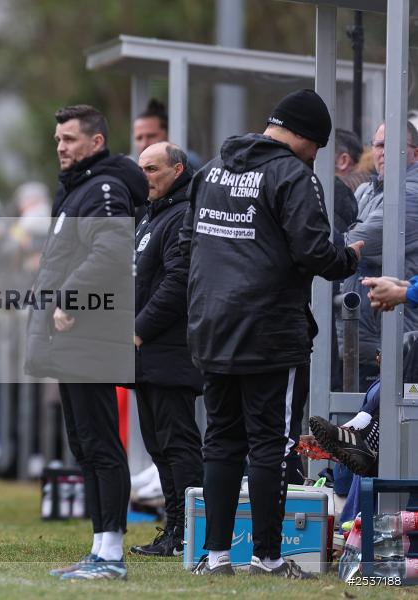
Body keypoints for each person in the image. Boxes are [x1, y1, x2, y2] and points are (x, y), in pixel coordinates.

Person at [179, 89, 362, 577]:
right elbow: (315, 252)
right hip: (269, 333)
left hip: (212, 328)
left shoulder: (211, 171)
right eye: (316, 145)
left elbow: (187, 243)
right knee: (271, 444)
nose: (315, 155)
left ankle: (215, 556)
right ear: (302, 135)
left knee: (220, 440)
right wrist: (350, 257)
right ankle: (268, 557)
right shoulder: (292, 176)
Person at [28, 104, 147, 581]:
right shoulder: (79, 188)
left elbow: (111, 252)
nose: (61, 147)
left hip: (92, 335)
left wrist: (70, 298)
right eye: (58, 139)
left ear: (96, 142)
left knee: (101, 444)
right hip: (72, 341)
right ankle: (99, 550)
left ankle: (112, 555)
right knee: (84, 444)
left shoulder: (104, 188)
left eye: (70, 139)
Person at [128, 142, 203, 558]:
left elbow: (178, 283)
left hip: (170, 350)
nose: (145, 177)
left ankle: (190, 531)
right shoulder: (151, 214)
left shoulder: (182, 214)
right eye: (141, 168)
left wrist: (140, 329)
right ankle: (174, 528)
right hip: (146, 354)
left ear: (177, 170)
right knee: (158, 445)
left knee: (178, 444)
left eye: (152, 169)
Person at [340, 121, 418, 391]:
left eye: (393, 145)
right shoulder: (367, 190)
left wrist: (347, 234)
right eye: (379, 145)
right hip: (360, 336)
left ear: (415, 153)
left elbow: (354, 243)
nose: (384, 152)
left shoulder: (410, 194)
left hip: (394, 337)